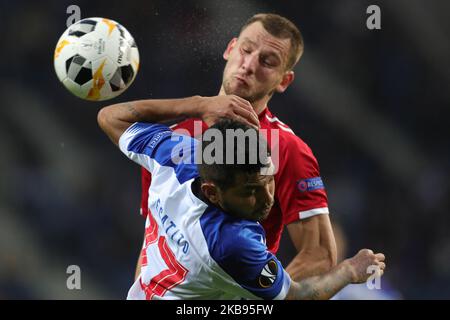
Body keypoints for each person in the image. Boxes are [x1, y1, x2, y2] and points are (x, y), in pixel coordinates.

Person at [97, 101, 386, 300]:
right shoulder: (231, 242)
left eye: (269, 180)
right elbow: (296, 296)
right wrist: (349, 271)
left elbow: (110, 117)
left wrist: (197, 104)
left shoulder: (175, 153)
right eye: (250, 191)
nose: (267, 198)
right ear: (212, 193)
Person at [136, 13, 337, 282]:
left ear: (283, 81)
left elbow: (320, 255)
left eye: (268, 61)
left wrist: (256, 297)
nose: (249, 65)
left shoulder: (287, 149)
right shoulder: (171, 139)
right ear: (230, 49)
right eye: (246, 50)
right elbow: (153, 240)